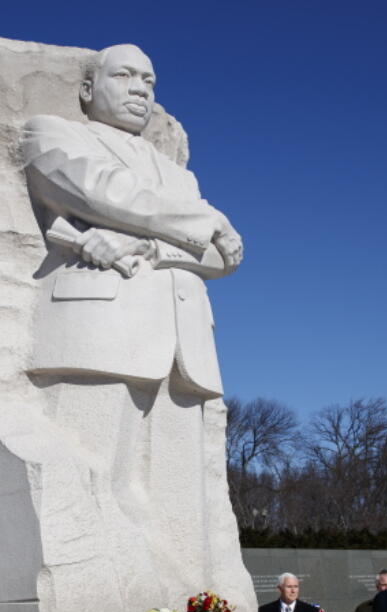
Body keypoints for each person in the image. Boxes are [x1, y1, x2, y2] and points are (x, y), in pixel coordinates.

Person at [20, 44, 243, 535]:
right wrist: (202, 219)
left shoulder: (179, 176)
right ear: (87, 89)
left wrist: (148, 245)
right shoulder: (53, 133)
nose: (140, 88)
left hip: (185, 347)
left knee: (183, 507)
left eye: (149, 80)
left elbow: (224, 256)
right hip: (99, 330)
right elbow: (95, 189)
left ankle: (193, 610)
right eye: (123, 75)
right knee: (87, 484)